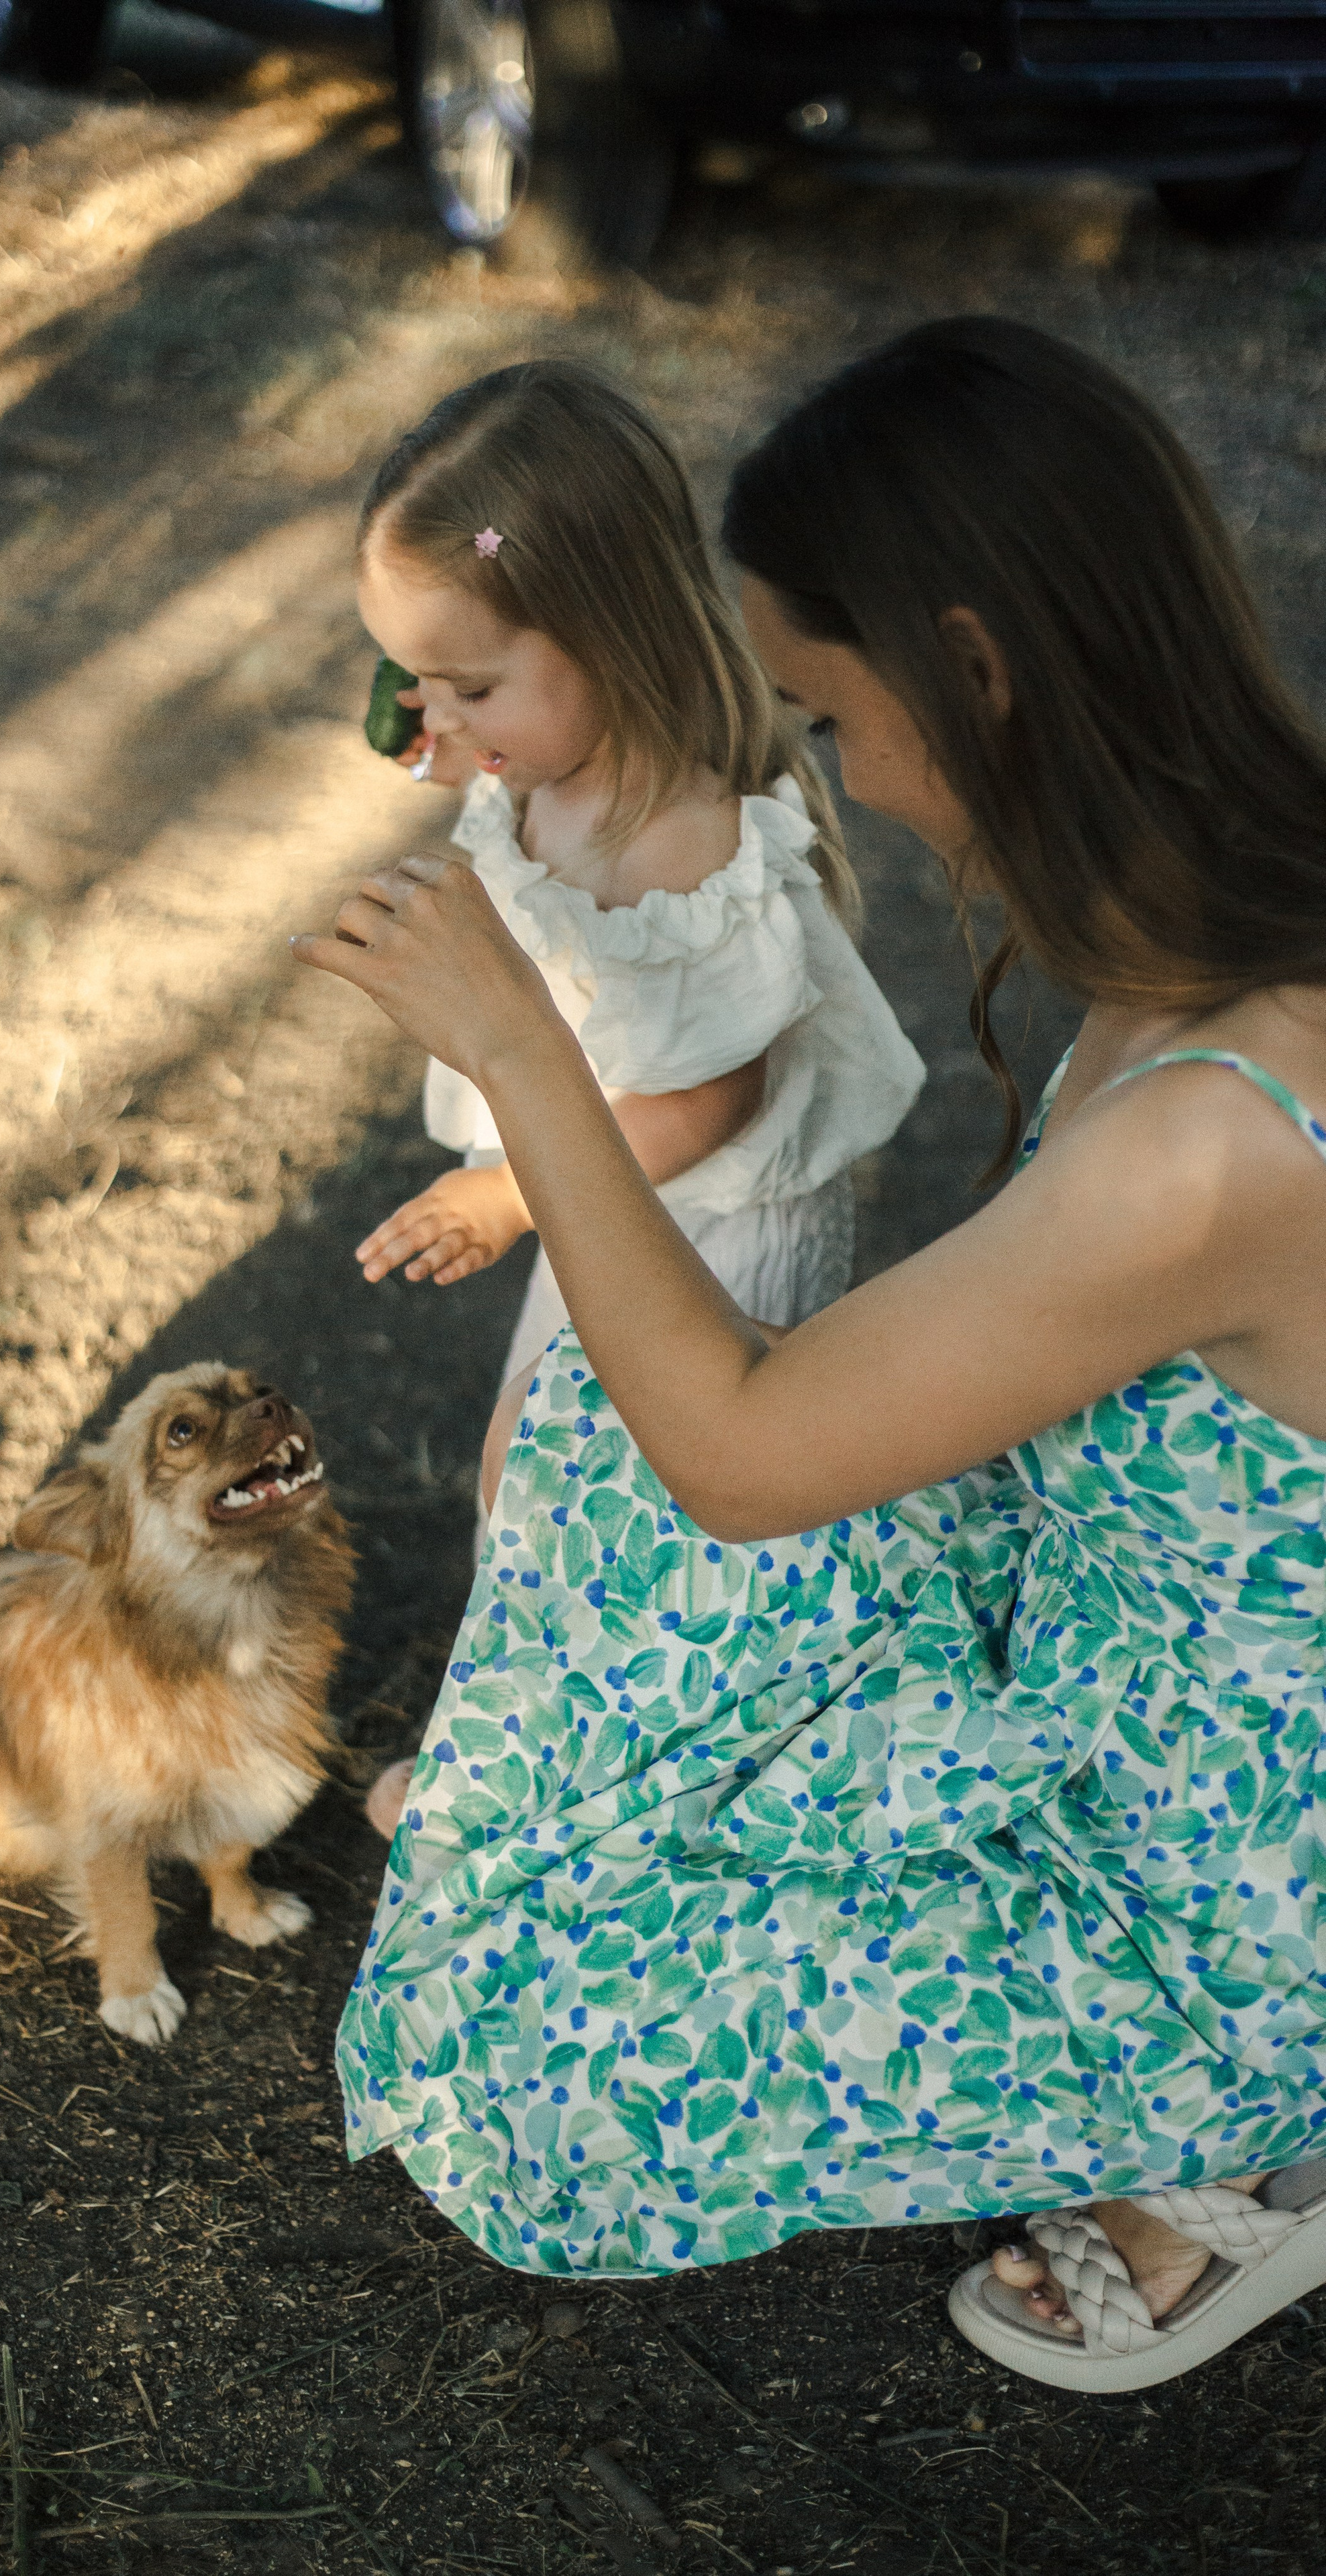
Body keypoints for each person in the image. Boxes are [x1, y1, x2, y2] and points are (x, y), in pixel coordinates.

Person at [293, 317, 1326, 2392]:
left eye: (831, 711)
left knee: (538, 2092)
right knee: (588, 1431)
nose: (831, 766)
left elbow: (746, 1460)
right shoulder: (1221, 943)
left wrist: (518, 1048)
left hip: (1209, 1868)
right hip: (1091, 1627)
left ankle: (1261, 2136)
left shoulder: (1217, 1130)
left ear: (979, 667)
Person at [350, 361, 924, 1390]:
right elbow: (479, 750)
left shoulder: (681, 848)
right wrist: (449, 730)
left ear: (603, 637)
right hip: (601, 1199)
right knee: (537, 1462)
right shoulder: (538, 766)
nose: (436, 716)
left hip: (716, 1247)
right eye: (413, 680)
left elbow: (709, 1106)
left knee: (652, 1504)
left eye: (469, 686)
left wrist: (512, 1197)